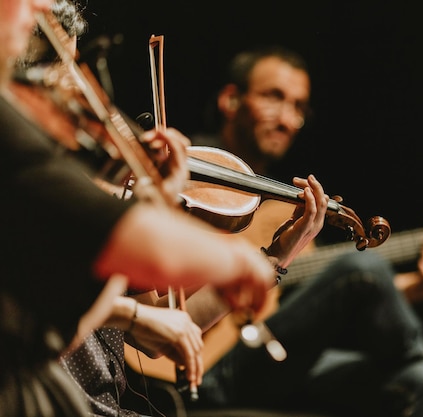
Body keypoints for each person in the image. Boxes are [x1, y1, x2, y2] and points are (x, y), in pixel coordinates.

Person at [0, 1, 328, 416]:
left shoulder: (74, 176)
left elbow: (166, 324)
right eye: (58, 71)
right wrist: (219, 258)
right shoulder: (26, 164)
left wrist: (275, 258)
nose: (78, 95)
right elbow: (120, 249)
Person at [183, 45, 423, 417]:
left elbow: (318, 292)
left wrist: (417, 285)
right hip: (206, 362)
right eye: (274, 97)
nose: (288, 119)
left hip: (265, 351)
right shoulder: (189, 176)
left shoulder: (282, 209)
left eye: (299, 107)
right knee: (362, 268)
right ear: (231, 100)